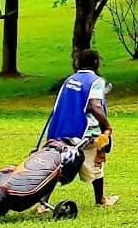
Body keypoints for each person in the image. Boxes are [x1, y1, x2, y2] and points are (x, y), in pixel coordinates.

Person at [43, 48, 118, 208]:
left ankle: (43, 203)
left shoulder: (69, 80)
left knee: (58, 167)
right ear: (96, 63)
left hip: (61, 132)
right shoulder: (97, 81)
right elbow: (94, 106)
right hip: (85, 133)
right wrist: (107, 126)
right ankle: (101, 200)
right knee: (97, 164)